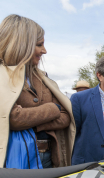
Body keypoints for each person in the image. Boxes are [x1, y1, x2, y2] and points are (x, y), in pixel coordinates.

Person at [0, 14, 75, 168]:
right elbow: (13, 118)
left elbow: (65, 117)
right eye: (40, 44)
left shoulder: (43, 79)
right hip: (13, 159)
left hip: (49, 158)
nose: (44, 51)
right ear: (22, 44)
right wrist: (53, 109)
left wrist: (30, 121)